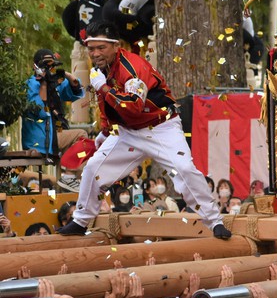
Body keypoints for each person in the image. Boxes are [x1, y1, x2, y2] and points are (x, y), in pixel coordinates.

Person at [58, 21, 231, 239]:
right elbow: (105, 104)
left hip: (161, 127)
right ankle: (80, 221)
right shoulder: (100, 70)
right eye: (91, 49)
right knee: (93, 168)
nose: (95, 53)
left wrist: (103, 87)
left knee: (184, 169)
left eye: (101, 47)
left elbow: (132, 107)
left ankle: (215, 221)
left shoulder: (133, 68)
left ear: (116, 45)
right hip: (127, 132)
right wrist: (105, 130)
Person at [21, 49, 87, 192]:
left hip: (54, 135)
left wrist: (66, 75)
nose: (49, 69)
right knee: (81, 135)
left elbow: (76, 91)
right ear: (36, 67)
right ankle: (68, 176)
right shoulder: (30, 84)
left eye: (52, 66)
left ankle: (69, 180)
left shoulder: (54, 82)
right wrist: (43, 83)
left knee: (82, 147)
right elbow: (40, 111)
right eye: (46, 66)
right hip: (40, 139)